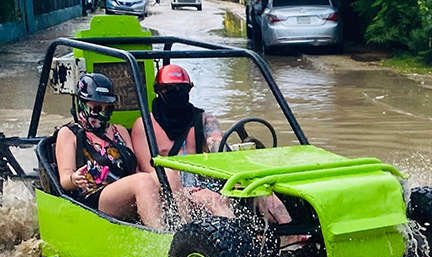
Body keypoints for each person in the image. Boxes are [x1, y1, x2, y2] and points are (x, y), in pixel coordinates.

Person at [130, 64, 293, 226]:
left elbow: (219, 148)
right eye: (171, 91)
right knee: (214, 201)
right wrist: (190, 192)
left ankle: (293, 235)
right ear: (159, 91)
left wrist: (241, 174)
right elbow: (149, 171)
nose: (177, 95)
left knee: (260, 189)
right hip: (170, 190)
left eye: (182, 90)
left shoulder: (203, 119)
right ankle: (238, 243)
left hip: (205, 182)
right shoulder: (145, 125)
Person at [55, 73, 163, 228]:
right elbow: (65, 179)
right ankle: (159, 236)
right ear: (82, 103)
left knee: (168, 173)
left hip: (128, 188)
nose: (102, 113)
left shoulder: (119, 131)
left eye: (108, 108)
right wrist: (75, 178)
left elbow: (135, 170)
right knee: (143, 181)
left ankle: (185, 231)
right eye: (97, 108)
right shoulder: (69, 133)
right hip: (95, 197)